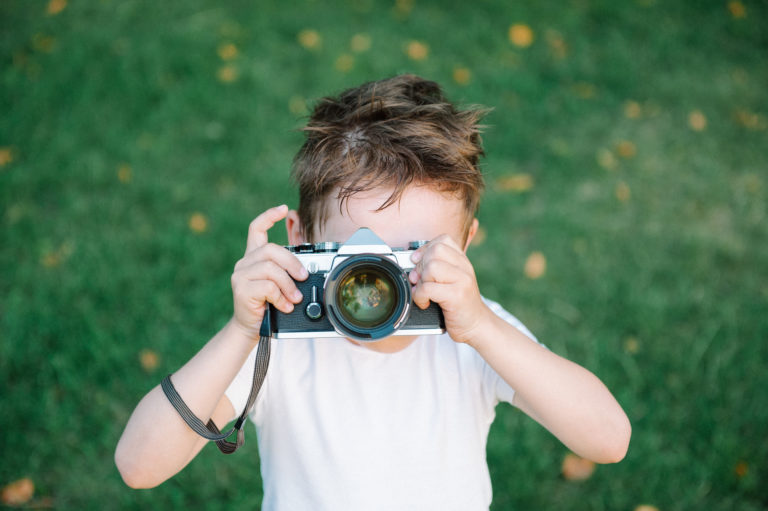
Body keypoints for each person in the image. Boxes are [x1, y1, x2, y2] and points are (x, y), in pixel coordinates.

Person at [115, 74, 631, 510]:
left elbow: (608, 440)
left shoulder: (473, 331)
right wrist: (242, 331)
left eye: (412, 255)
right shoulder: (278, 339)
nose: (379, 284)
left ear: (464, 247)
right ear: (301, 242)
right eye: (357, 260)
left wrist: (482, 329)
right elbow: (139, 466)